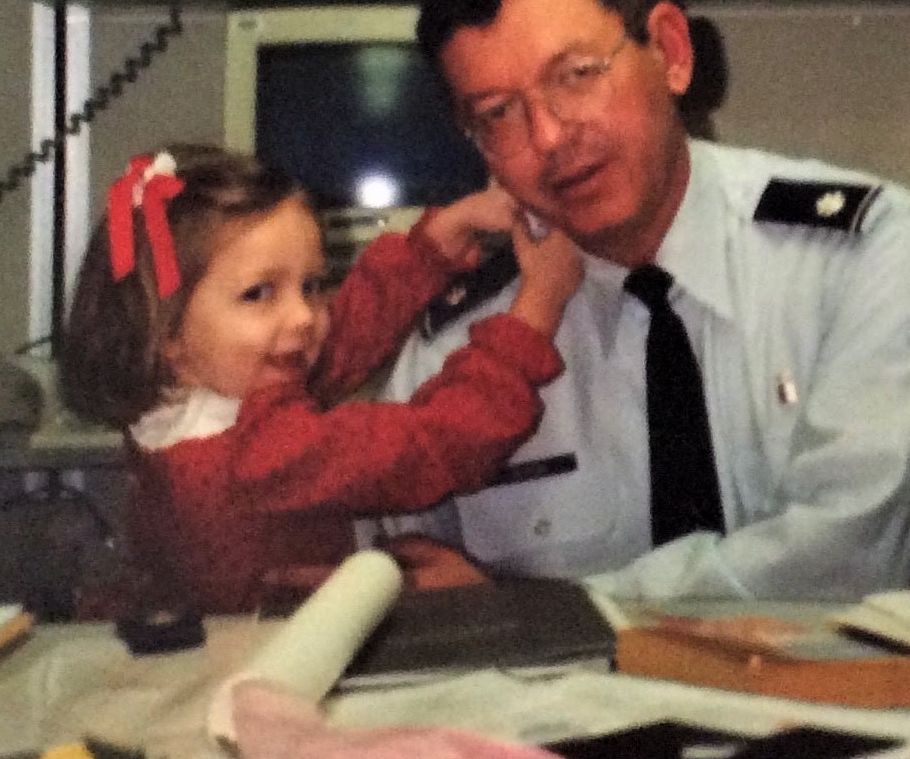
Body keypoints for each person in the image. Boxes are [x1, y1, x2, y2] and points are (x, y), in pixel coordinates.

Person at [378, 0, 910, 600]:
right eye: (498, 112)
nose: (550, 135)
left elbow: (854, 561)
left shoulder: (859, 250)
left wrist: (549, 614)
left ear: (671, 52)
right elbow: (403, 575)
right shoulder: (458, 346)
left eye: (575, 75)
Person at [58, 143, 583, 613]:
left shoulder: (180, 403)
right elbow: (438, 441)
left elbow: (333, 350)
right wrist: (538, 307)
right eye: (259, 293)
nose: (305, 316)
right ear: (165, 328)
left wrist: (433, 247)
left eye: (311, 286)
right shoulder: (259, 454)